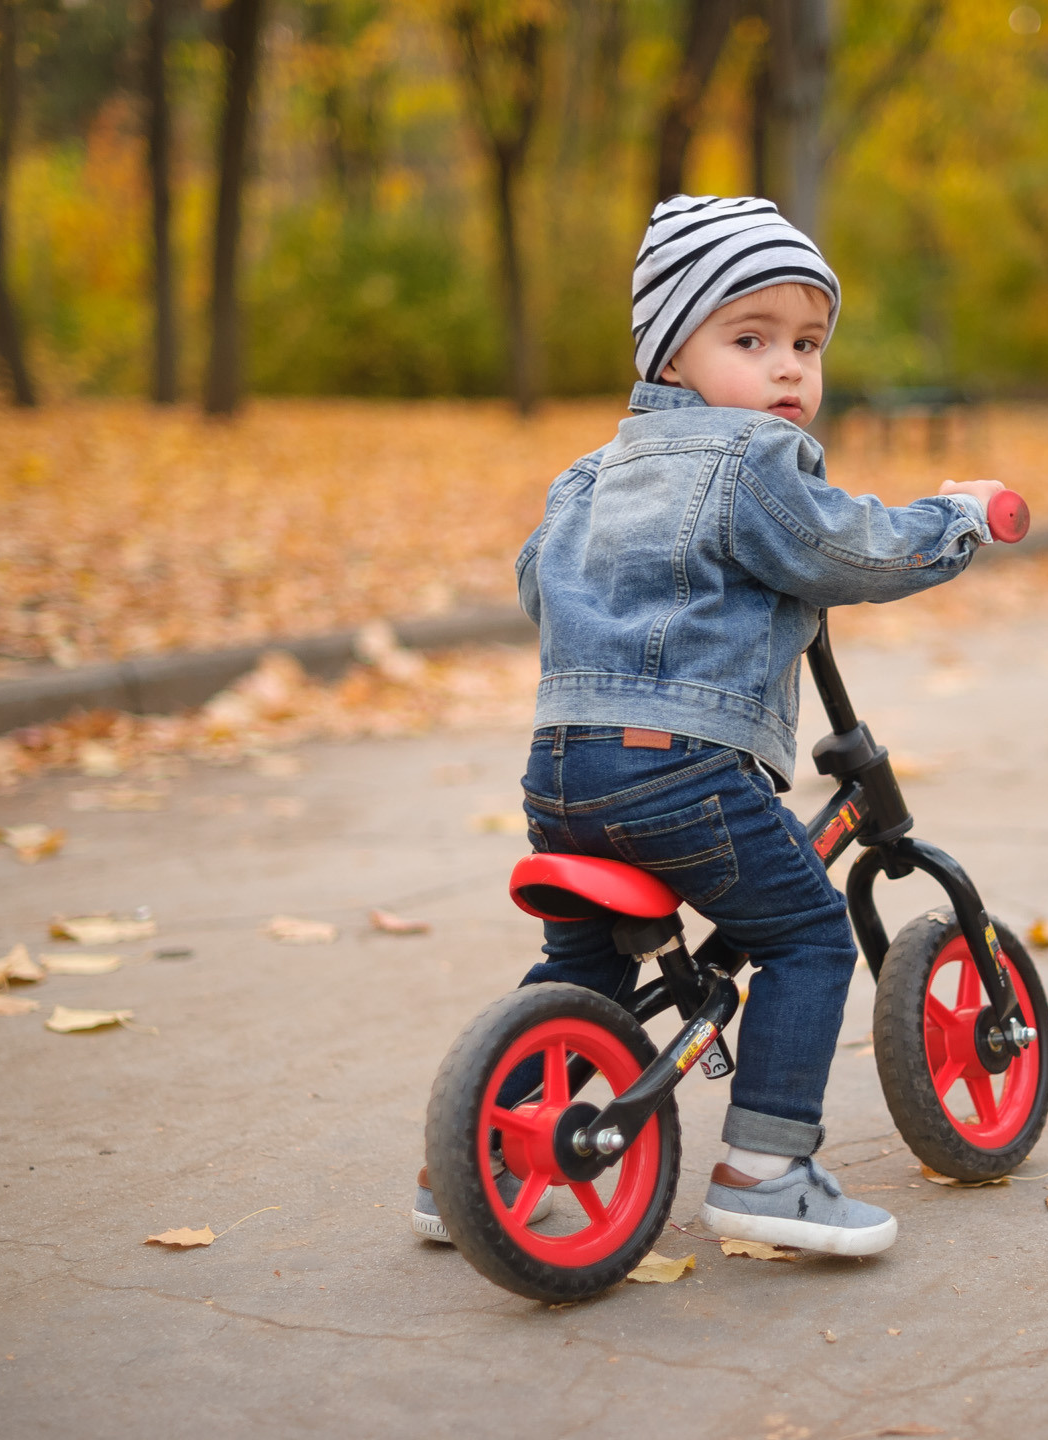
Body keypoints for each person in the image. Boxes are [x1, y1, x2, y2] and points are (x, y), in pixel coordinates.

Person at [411, 195, 1003, 1256]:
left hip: (559, 770)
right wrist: (955, 518)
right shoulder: (751, 462)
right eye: (752, 339)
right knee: (809, 935)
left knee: (584, 968)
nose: (789, 371)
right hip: (677, 772)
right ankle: (767, 1168)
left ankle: (483, 1160)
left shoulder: (585, 474)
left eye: (807, 344)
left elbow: (537, 586)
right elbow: (849, 552)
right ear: (671, 359)